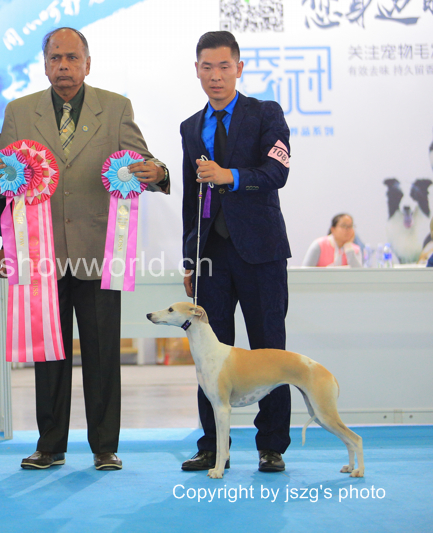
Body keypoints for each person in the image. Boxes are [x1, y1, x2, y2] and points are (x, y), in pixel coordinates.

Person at [0, 27, 169, 471]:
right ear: (44, 65)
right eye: (55, 58)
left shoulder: (116, 107)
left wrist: (157, 172)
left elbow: (143, 162)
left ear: (88, 63)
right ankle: (50, 446)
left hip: (98, 251)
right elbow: (8, 187)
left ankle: (105, 446)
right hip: (39, 254)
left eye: (71, 58)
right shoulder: (19, 111)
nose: (63, 66)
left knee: (103, 352)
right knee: (48, 351)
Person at [180, 31, 292, 473]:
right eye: (207, 67)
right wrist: (190, 258)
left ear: (239, 68)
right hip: (211, 257)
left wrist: (230, 175)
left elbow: (277, 172)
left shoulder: (265, 113)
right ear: (197, 70)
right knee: (207, 352)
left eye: (224, 66)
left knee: (270, 350)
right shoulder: (191, 127)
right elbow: (191, 198)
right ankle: (212, 445)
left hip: (261, 252)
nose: (216, 76)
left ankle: (272, 445)